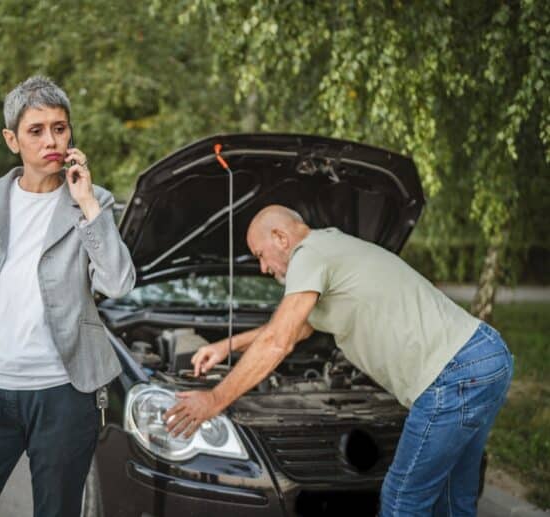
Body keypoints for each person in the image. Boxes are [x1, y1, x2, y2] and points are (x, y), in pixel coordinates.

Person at [164, 205, 513, 516]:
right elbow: (298, 328)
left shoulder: (309, 254)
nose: (263, 267)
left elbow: (278, 341)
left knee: (402, 500)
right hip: (484, 358)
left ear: (281, 237)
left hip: (453, 376)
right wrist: (228, 345)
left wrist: (214, 399)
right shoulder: (331, 246)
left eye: (261, 254)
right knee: (453, 498)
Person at [0, 76, 135, 517]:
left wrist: (86, 204)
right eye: (37, 130)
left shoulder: (94, 202)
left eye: (60, 128)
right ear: (12, 139)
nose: (52, 140)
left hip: (65, 394)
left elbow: (118, 283)